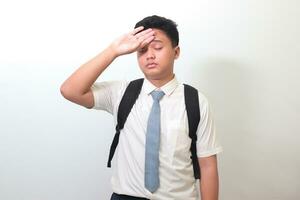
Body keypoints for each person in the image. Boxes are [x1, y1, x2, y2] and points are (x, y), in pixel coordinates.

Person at [60, 15, 222, 200]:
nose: (150, 55)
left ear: (176, 52)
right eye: (142, 50)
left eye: (158, 48)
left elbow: (208, 166)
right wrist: (113, 51)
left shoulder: (195, 101)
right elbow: (70, 90)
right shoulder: (121, 92)